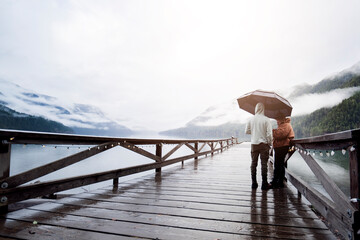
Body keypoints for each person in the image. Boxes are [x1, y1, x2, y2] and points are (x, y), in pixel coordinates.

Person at [245, 102, 273, 190]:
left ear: (256, 109)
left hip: (254, 144)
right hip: (264, 144)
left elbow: (246, 131)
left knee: (253, 163)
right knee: (264, 164)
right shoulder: (266, 119)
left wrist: (253, 132)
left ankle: (254, 183)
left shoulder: (250, 119)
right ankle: (264, 183)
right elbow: (269, 134)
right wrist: (270, 143)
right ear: (263, 109)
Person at [270, 115, 295, 188]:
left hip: (282, 146)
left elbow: (280, 135)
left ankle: (276, 182)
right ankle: (279, 181)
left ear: (281, 119)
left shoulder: (286, 125)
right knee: (279, 164)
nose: (277, 121)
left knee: (278, 164)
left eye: (277, 119)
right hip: (280, 146)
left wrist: (273, 131)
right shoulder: (283, 125)